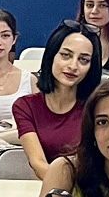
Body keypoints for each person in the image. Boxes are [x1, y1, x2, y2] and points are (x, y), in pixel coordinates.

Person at [11, 21, 101, 176]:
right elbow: (38, 163)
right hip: (50, 185)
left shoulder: (97, 107)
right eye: (66, 55)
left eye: (83, 60)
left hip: (89, 187)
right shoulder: (25, 106)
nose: (73, 66)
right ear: (51, 55)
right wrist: (61, 186)